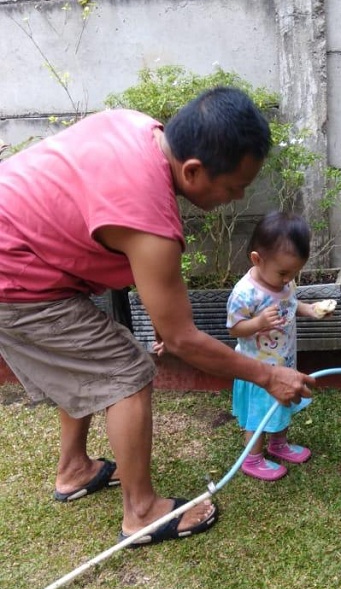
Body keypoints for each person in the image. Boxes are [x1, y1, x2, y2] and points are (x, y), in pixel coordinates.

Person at [0, 88, 315, 547]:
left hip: (26, 253)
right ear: (192, 171)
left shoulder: (137, 127)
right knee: (126, 371)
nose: (239, 197)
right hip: (14, 276)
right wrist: (267, 377)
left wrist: (175, 330)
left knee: (91, 358)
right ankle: (141, 513)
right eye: (234, 187)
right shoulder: (150, 220)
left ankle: (74, 471)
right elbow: (183, 339)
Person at [227, 211, 326, 481]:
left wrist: (311, 310)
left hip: (283, 361)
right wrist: (258, 322)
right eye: (283, 272)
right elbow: (234, 328)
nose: (288, 278)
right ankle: (253, 459)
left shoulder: (284, 282)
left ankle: (278, 444)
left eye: (294, 272)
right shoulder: (245, 293)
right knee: (258, 415)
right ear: (257, 259)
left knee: (282, 404)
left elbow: (292, 306)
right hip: (257, 369)